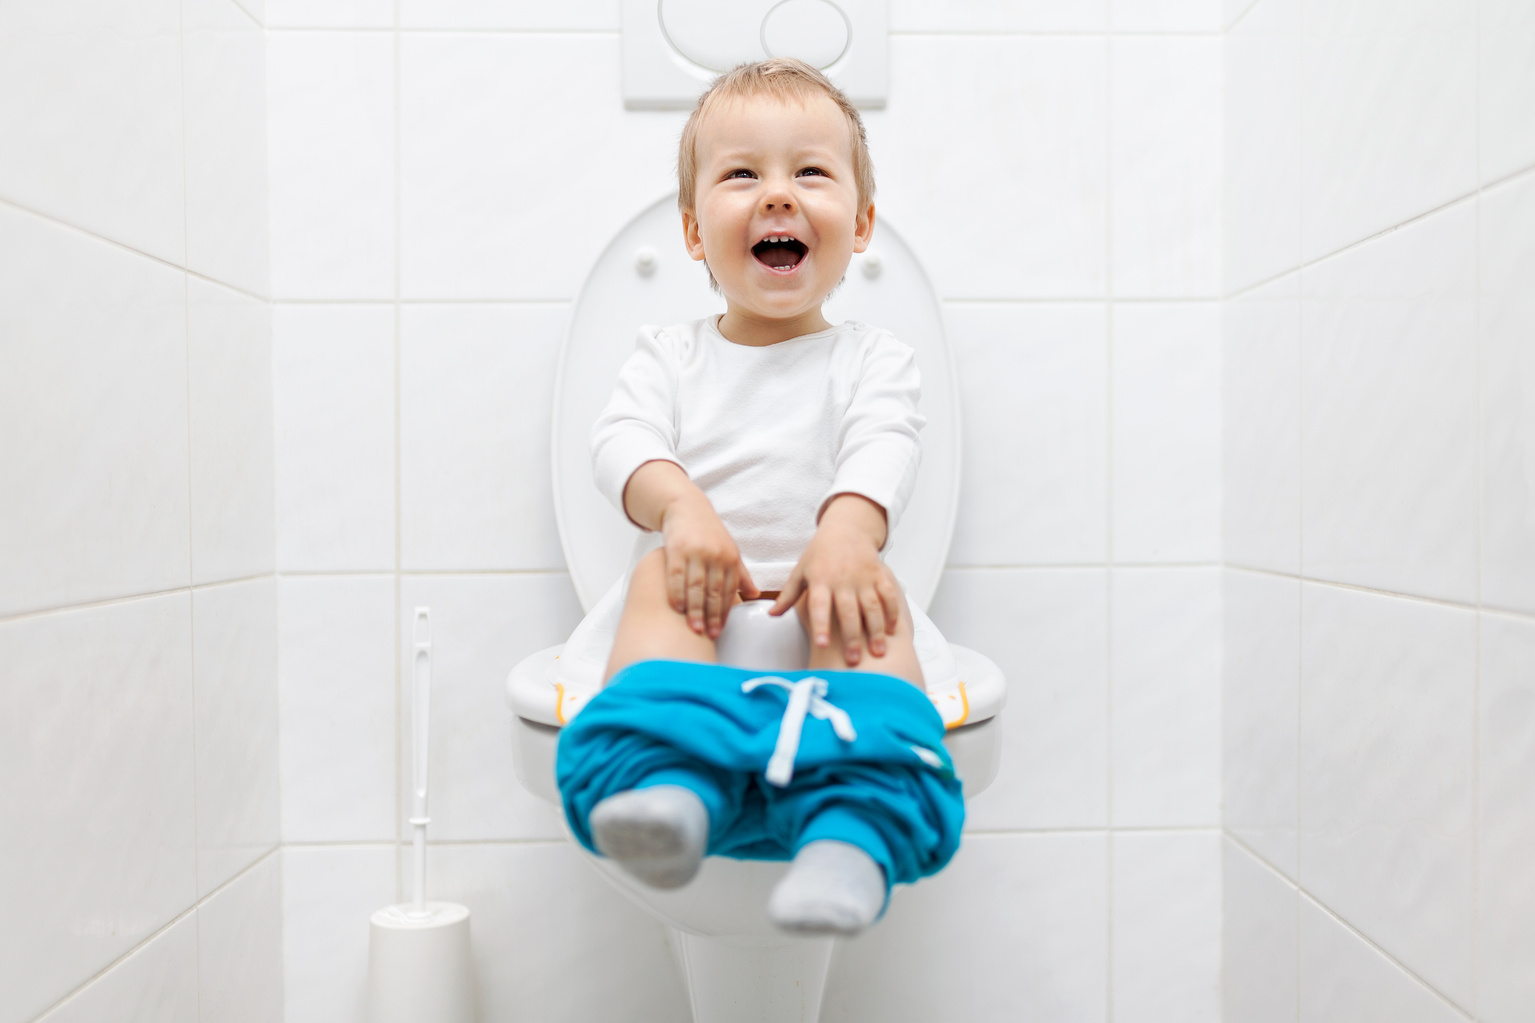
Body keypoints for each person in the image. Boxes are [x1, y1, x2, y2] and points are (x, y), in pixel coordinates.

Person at [554, 58, 963, 937]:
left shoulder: (873, 357)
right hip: (695, 622)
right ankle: (671, 791)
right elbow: (620, 440)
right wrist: (680, 509)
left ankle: (850, 839)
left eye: (809, 171)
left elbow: (883, 441)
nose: (777, 195)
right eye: (742, 173)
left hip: (830, 616)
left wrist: (848, 535)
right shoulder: (668, 353)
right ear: (695, 232)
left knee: (869, 599)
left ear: (858, 226)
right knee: (661, 576)